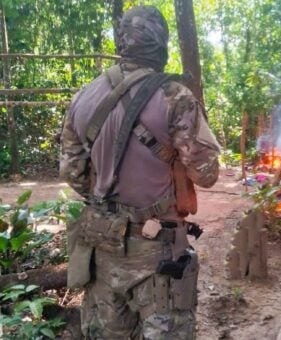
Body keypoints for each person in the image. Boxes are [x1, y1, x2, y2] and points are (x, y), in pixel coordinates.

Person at [60, 6, 220, 339]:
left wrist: (110, 204)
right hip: (157, 254)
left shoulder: (84, 96)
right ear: (160, 43)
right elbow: (206, 174)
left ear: (123, 41)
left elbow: (72, 172)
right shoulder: (175, 97)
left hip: (101, 248)